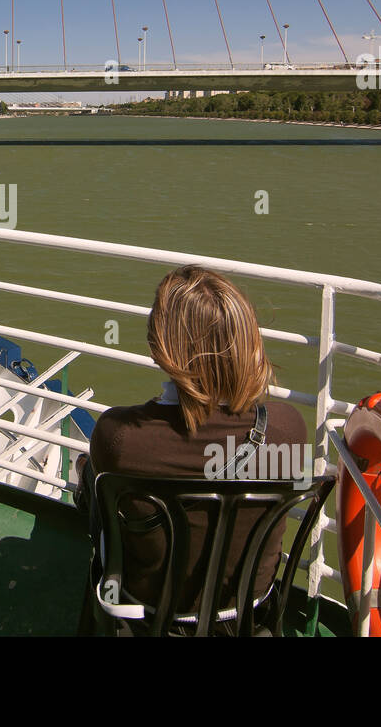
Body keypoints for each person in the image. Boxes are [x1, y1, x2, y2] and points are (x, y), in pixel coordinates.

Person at [78, 265, 310, 628]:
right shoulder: (288, 428)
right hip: (247, 610)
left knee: (93, 476)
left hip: (148, 611)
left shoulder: (118, 434)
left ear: (160, 350)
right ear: (250, 343)